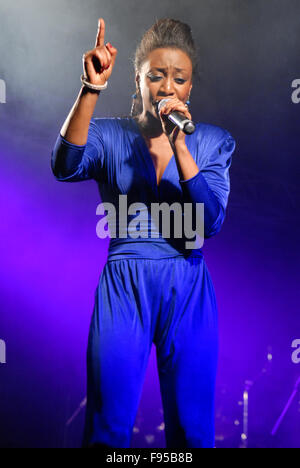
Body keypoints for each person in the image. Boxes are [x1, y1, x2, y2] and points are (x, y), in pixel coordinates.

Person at [51, 17, 236, 449]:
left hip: (187, 285)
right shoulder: (109, 134)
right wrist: (90, 88)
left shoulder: (213, 142)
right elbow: (63, 165)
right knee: (107, 429)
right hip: (124, 287)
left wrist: (181, 148)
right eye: (155, 75)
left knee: (192, 434)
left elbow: (209, 222)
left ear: (190, 88)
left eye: (179, 78)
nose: (167, 86)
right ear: (137, 80)